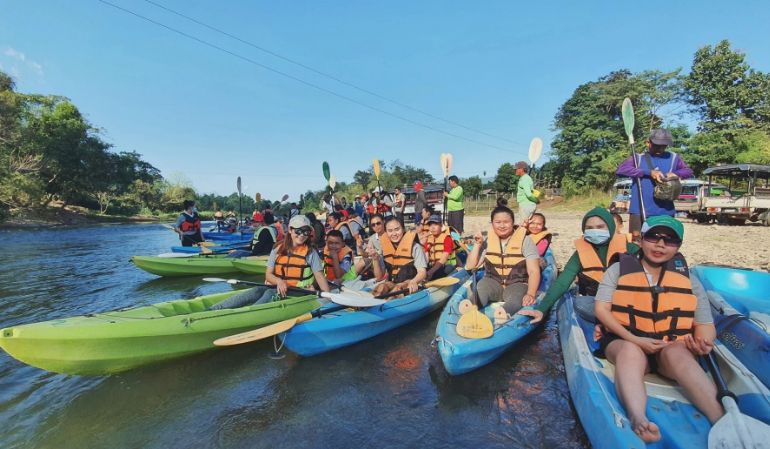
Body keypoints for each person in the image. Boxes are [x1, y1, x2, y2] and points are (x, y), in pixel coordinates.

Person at [594, 216, 722, 443]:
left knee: (678, 352)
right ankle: (639, 419)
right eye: (654, 237)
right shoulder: (617, 270)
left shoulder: (688, 279)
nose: (660, 245)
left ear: (678, 247)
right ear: (641, 240)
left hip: (669, 347)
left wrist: (703, 343)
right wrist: (633, 338)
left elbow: (704, 324)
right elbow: (602, 310)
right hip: (626, 340)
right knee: (631, 352)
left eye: (669, 240)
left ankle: (722, 420)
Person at [524, 207, 639, 324]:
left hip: (628, 302)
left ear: (610, 227)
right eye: (589, 228)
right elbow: (562, 282)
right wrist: (541, 309)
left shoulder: (631, 249)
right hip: (597, 302)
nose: (595, 231)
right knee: (580, 303)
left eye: (600, 227)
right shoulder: (581, 253)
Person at [210, 215, 331, 310]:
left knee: (270, 292)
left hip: (300, 291)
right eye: (298, 231)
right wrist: (279, 281)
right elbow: (268, 275)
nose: (302, 235)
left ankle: (250, 313)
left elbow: (320, 277)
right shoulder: (278, 248)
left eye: (306, 232)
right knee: (258, 290)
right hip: (278, 286)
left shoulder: (310, 252)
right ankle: (214, 309)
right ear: (290, 230)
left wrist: (327, 297)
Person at [464, 198, 540, 322]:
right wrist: (477, 245)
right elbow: (470, 266)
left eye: (506, 222)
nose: (502, 225)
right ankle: (470, 311)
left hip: (516, 284)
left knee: (517, 297)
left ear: (513, 223)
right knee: (482, 286)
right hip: (493, 284)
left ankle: (504, 314)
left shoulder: (525, 241)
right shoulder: (488, 241)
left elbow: (533, 271)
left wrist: (531, 293)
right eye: (498, 222)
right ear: (492, 223)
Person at [616, 128, 694, 241]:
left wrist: (676, 174)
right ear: (648, 143)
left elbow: (688, 171)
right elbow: (621, 170)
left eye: (664, 146)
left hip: (665, 211)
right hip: (639, 210)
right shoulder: (638, 158)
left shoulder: (673, 158)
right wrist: (648, 172)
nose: (660, 148)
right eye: (657, 145)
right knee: (636, 243)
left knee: (663, 243)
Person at [372, 216, 428, 297]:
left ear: (403, 229)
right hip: (393, 282)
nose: (394, 234)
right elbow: (379, 277)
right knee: (381, 287)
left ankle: (387, 304)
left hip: (410, 282)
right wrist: (375, 259)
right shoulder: (385, 248)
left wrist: (414, 281)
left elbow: (422, 272)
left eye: (397, 229)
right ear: (386, 232)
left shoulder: (415, 247)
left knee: (398, 287)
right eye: (390, 231)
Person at [424, 214, 457, 280]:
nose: (432, 227)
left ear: (441, 225)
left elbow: (444, 258)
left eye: (435, 224)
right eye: (430, 225)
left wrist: (431, 271)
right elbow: (426, 256)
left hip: (445, 265)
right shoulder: (428, 239)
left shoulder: (447, 238)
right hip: (432, 265)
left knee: (439, 273)